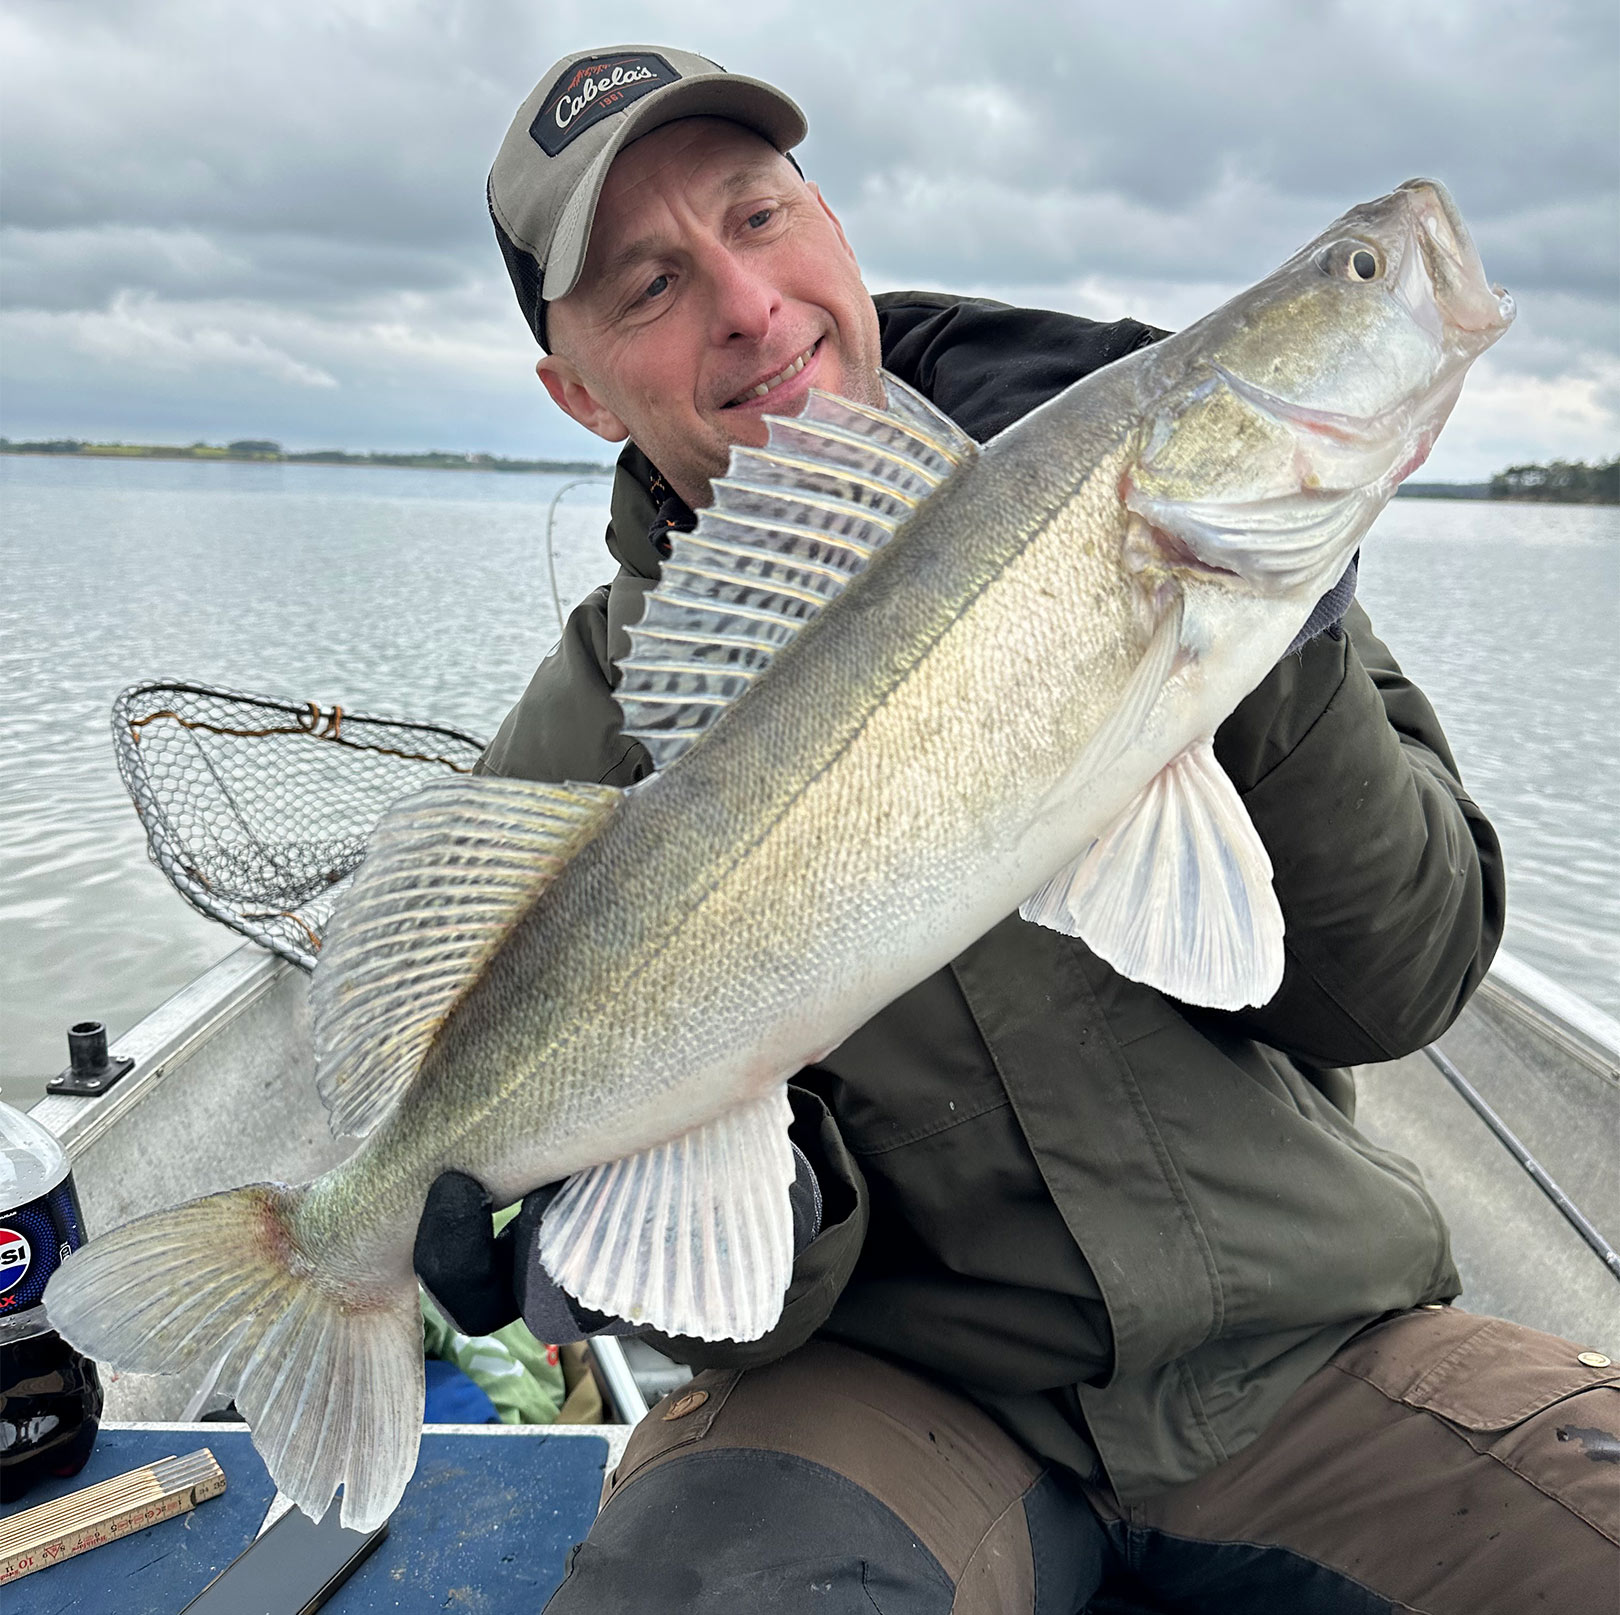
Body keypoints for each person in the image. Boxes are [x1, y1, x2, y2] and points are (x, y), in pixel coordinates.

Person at [413, 45, 1619, 1613]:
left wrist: (1270, 635)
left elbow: (1405, 985)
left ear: (833, 226)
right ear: (578, 393)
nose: (748, 302)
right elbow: (719, 1299)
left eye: (761, 216)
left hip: (1313, 1350)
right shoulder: (578, 745)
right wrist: (692, 1205)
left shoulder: (1179, 523)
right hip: (884, 1403)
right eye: (651, 283)